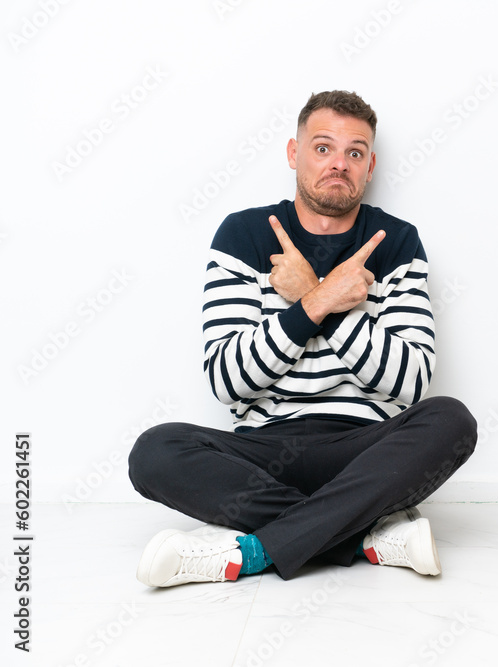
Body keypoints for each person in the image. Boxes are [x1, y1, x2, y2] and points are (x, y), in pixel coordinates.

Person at [127, 90, 477, 587]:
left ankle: (250, 553)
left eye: (355, 152)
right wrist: (319, 302)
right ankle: (364, 539)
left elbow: (410, 381)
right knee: (154, 451)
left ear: (370, 165)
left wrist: (313, 296)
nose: (339, 164)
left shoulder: (396, 242)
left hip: (362, 454)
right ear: (294, 154)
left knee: (451, 420)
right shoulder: (243, 234)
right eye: (323, 148)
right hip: (264, 457)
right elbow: (229, 382)